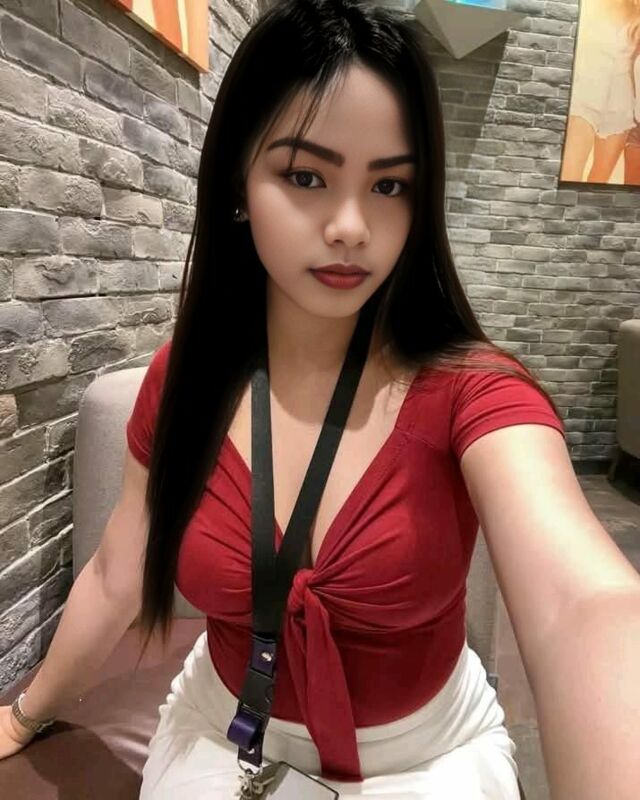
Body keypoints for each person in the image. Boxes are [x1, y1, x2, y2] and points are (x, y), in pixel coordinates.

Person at [2, 1, 639, 798]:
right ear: (239, 183)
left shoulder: (472, 390)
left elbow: (585, 604)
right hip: (223, 736)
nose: (350, 226)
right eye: (306, 176)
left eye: (390, 185)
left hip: (425, 760)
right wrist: (23, 716)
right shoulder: (185, 380)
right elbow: (113, 574)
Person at [561, 0, 640, 183]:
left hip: (621, 102)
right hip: (586, 93)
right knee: (570, 175)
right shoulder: (595, 7)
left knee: (599, 181)